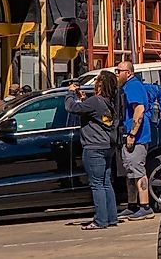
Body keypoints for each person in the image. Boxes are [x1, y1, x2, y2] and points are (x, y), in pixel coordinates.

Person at [67, 73, 119, 230]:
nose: (95, 83)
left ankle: (100, 220)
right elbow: (94, 115)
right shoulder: (109, 102)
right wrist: (83, 100)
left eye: (97, 81)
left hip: (94, 147)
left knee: (97, 184)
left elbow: (71, 107)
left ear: (101, 85)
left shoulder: (96, 101)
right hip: (107, 146)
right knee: (105, 182)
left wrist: (70, 93)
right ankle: (111, 217)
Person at [114, 61, 154, 220]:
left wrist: (132, 134)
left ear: (128, 73)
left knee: (138, 171)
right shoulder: (126, 87)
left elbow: (139, 110)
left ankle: (145, 206)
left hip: (136, 139)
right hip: (127, 137)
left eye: (119, 71)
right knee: (130, 172)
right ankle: (132, 206)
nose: (116, 73)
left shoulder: (133, 86)